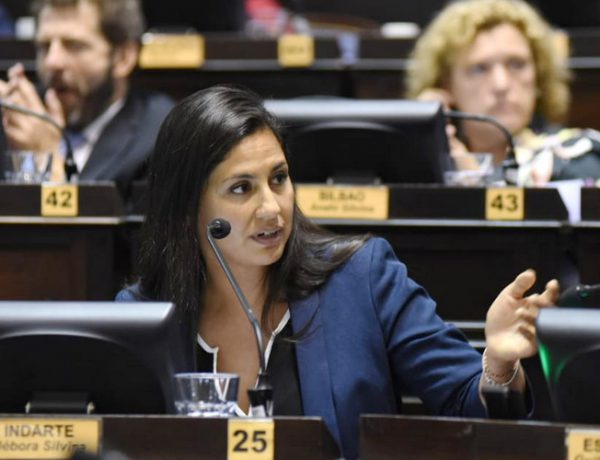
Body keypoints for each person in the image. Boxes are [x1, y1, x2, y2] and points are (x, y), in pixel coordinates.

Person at [116, 84, 559, 460]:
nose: (271, 208)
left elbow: (465, 403)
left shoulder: (361, 279)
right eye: (241, 188)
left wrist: (498, 364)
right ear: (188, 207)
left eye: (278, 178)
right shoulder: (144, 315)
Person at [406, 0, 600, 185]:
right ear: (446, 84)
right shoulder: (420, 166)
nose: (501, 84)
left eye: (517, 64)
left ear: (539, 75)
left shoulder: (576, 155)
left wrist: (471, 179)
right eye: (479, 69)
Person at [0, 0, 174, 199]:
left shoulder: (160, 135)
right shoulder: (13, 120)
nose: (52, 61)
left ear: (124, 57)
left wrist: (47, 158)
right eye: (44, 46)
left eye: (74, 46)